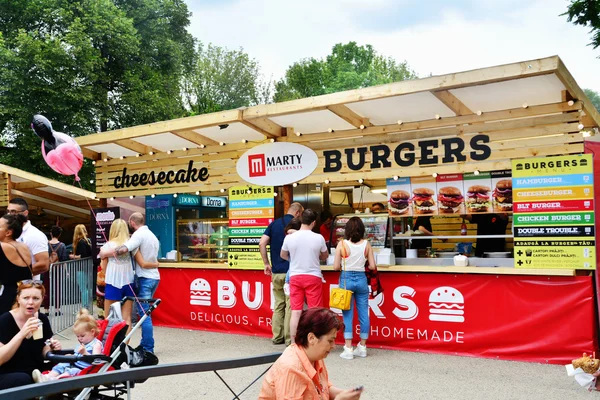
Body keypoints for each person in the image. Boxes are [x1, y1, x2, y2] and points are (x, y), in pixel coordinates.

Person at [259, 307, 363, 400]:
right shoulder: (292, 369)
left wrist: (345, 394)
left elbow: (324, 389)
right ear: (311, 338)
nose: (333, 346)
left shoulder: (314, 354)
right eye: (330, 341)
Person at [99, 213, 160, 353]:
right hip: (128, 282)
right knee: (127, 318)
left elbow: (103, 267)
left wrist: (105, 255)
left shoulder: (107, 245)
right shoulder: (132, 244)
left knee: (109, 316)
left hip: (112, 282)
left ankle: (108, 346)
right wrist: (156, 263)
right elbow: (141, 262)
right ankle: (124, 346)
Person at [0, 280, 62, 389]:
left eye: (36, 298)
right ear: (18, 299)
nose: (31, 302)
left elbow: (44, 347)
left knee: (63, 370)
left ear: (42, 299)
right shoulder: (5, 320)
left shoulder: (42, 318)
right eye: (26, 298)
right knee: (23, 379)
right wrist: (22, 334)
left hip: (35, 370)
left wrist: (51, 348)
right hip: (8, 373)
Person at [259, 202, 304, 345]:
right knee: (291, 305)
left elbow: (262, 243)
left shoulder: (274, 224)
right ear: (298, 213)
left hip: (276, 272)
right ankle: (289, 339)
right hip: (292, 273)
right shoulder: (298, 226)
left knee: (278, 304)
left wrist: (266, 263)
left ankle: (277, 336)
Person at [281, 209, 328, 342]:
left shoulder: (289, 238)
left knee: (296, 311)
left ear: (301, 219)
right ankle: (314, 340)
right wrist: (314, 255)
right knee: (315, 311)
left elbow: (283, 255)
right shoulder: (319, 238)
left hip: (295, 276)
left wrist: (294, 258)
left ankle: (294, 342)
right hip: (313, 276)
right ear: (313, 222)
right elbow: (325, 255)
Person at [333, 217, 376, 360]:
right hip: (362, 280)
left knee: (347, 315)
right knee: (364, 313)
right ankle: (362, 347)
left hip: (346, 280)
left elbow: (335, 267)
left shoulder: (342, 244)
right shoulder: (367, 245)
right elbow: (372, 266)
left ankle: (348, 348)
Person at [32, 308, 103, 382]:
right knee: (61, 364)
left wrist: (85, 353)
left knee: (71, 371)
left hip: (84, 369)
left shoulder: (96, 344)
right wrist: (71, 356)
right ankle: (46, 377)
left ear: (92, 332)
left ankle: (54, 380)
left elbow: (96, 360)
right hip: (75, 363)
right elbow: (77, 355)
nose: (80, 339)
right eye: (77, 336)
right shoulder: (84, 343)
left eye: (82, 336)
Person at [7, 198, 49, 277]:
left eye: (13, 211)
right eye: (8, 211)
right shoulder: (9, 232)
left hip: (26, 286)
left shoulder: (34, 235)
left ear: (25, 213)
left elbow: (44, 264)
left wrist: (14, 272)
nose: (9, 215)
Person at [0, 214, 33, 315]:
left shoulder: (3, 246)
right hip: (25, 296)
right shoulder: (24, 246)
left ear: (8, 232)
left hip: (7, 298)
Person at [70, 224, 93, 310]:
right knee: (87, 287)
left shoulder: (80, 242)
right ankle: (86, 305)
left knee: (83, 288)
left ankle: (85, 306)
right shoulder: (88, 241)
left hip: (81, 268)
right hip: (87, 267)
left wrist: (73, 256)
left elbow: (83, 256)